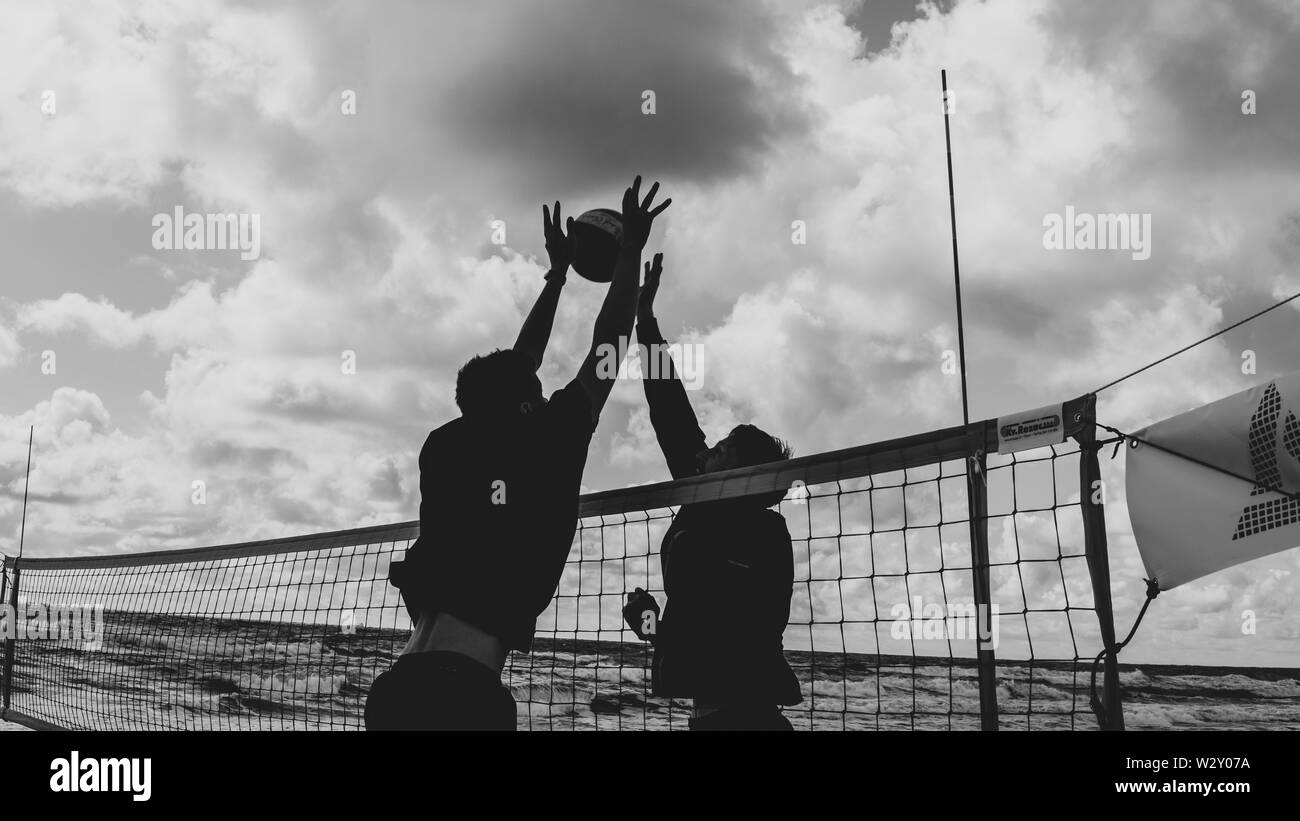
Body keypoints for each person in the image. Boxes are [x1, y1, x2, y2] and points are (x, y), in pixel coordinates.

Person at [365, 177, 671, 731]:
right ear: (528, 405)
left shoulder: (445, 445)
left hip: (395, 690)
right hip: (461, 693)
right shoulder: (548, 440)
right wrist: (629, 251)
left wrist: (558, 274)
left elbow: (515, 366)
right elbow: (610, 340)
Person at [622, 253, 802, 731]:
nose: (704, 454)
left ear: (741, 476)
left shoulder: (760, 536)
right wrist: (646, 319)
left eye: (718, 450)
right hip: (711, 717)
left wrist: (655, 625)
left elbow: (720, 633)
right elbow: (670, 407)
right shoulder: (707, 500)